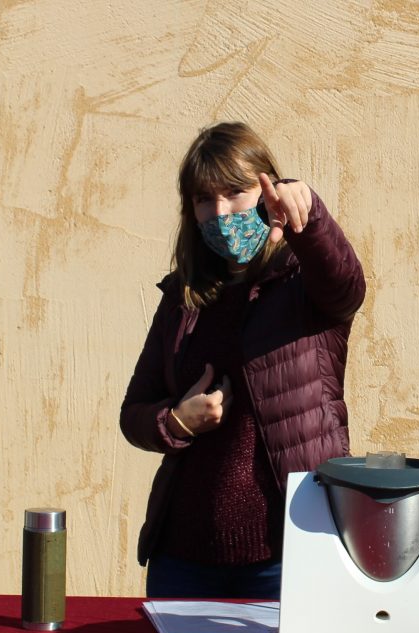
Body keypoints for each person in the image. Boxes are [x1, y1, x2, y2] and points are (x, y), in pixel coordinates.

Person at [120, 122, 365, 598]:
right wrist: (177, 421)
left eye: (236, 192)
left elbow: (346, 286)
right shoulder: (183, 298)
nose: (221, 212)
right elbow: (134, 414)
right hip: (181, 559)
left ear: (268, 188)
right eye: (203, 200)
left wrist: (310, 218)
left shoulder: (303, 284)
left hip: (286, 556)